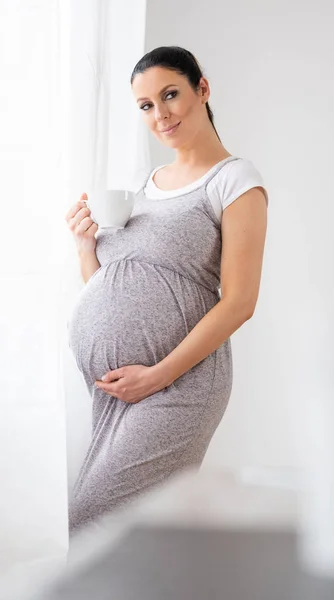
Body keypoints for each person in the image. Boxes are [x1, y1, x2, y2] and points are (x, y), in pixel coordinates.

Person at [65, 46, 269, 535]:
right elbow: (112, 288)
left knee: (93, 520)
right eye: (146, 105)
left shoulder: (235, 180)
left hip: (179, 383)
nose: (160, 115)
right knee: (124, 532)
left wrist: (155, 377)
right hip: (119, 391)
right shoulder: (144, 186)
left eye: (170, 94)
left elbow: (240, 302)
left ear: (202, 88)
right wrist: (84, 246)